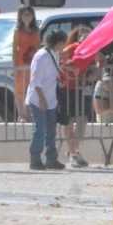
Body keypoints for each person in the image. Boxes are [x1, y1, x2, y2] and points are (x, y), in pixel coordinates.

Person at [26, 29, 68, 171]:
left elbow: (52, 74)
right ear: (58, 42)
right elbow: (35, 81)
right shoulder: (41, 56)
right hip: (38, 99)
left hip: (51, 99)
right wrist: (42, 100)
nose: (64, 46)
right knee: (40, 129)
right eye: (63, 42)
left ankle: (51, 159)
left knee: (51, 130)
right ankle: (35, 159)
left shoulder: (54, 54)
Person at [57, 25, 94, 168]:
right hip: (67, 88)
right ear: (78, 37)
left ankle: (73, 151)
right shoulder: (72, 48)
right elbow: (60, 62)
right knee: (69, 122)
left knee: (82, 120)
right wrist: (72, 68)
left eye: (88, 35)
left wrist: (93, 70)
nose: (85, 38)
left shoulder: (91, 50)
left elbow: (100, 61)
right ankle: (73, 153)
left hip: (81, 89)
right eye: (83, 35)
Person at [12, 7, 39, 123]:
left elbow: (38, 47)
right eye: (24, 15)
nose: (27, 17)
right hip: (20, 64)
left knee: (30, 89)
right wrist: (15, 65)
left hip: (32, 64)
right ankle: (22, 114)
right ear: (20, 16)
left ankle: (29, 113)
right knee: (19, 90)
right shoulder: (17, 31)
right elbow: (14, 49)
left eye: (29, 14)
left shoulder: (36, 31)